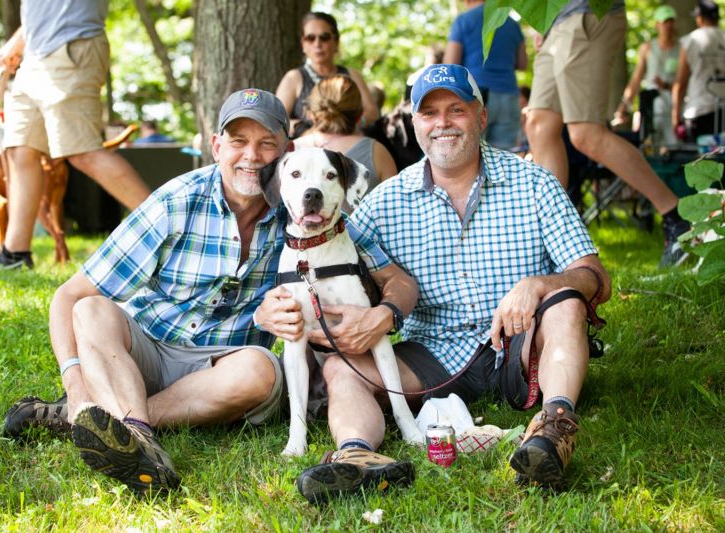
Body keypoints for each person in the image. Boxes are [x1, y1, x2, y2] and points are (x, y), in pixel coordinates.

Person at [262, 63, 611, 501]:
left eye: (456, 109)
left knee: (566, 301)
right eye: (429, 113)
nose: (442, 123)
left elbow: (595, 278)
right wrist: (273, 307)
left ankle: (553, 432)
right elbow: (324, 249)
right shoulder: (385, 201)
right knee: (340, 366)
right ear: (415, 124)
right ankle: (357, 456)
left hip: (522, 343)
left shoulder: (535, 182)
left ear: (481, 117)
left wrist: (540, 283)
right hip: (432, 353)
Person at [0, 89, 292, 493]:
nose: (251, 156)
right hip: (145, 352)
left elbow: (354, 263)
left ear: (287, 152)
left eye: (267, 144)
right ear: (216, 145)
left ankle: (96, 423)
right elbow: (67, 296)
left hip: (222, 368)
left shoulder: (302, 209)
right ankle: (132, 434)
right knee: (91, 310)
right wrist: (79, 392)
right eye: (239, 141)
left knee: (262, 370)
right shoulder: (176, 201)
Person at [0, 0, 150, 272]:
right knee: (19, 149)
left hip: (71, 48)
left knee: (82, 153)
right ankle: (14, 253)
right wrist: (19, 40)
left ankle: (176, 230)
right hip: (35, 56)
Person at [525, 0, 690, 267]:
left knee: (586, 133)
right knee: (539, 123)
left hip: (586, 13)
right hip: (553, 22)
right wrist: (539, 21)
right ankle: (553, 239)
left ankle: (675, 215)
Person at [294, 75, 397, 202]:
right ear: (359, 115)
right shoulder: (377, 153)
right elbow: (396, 206)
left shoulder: (292, 150)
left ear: (310, 114)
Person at [276, 12, 378, 138]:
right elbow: (276, 120)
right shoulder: (294, 77)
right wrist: (301, 129)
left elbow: (372, 113)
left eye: (324, 37)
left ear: (336, 42)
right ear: (303, 44)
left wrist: (349, 125)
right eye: (310, 38)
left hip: (349, 146)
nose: (317, 44)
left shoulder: (352, 75)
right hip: (308, 150)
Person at [444, 0, 527, 150]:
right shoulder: (512, 24)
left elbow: (450, 64)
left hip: (476, 95)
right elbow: (522, 64)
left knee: (471, 155)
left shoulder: (464, 20)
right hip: (509, 96)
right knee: (503, 158)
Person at [613, 5, 679, 147]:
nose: (667, 25)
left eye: (670, 21)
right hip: (652, 107)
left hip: (676, 106)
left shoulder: (682, 48)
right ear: (657, 24)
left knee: (675, 145)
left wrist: (667, 86)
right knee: (649, 145)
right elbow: (636, 79)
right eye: (664, 21)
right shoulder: (647, 48)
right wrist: (624, 105)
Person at [672, 0, 725, 142]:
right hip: (723, 110)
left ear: (699, 18)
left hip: (699, 108)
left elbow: (680, 82)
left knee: (698, 160)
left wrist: (675, 115)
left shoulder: (691, 40)